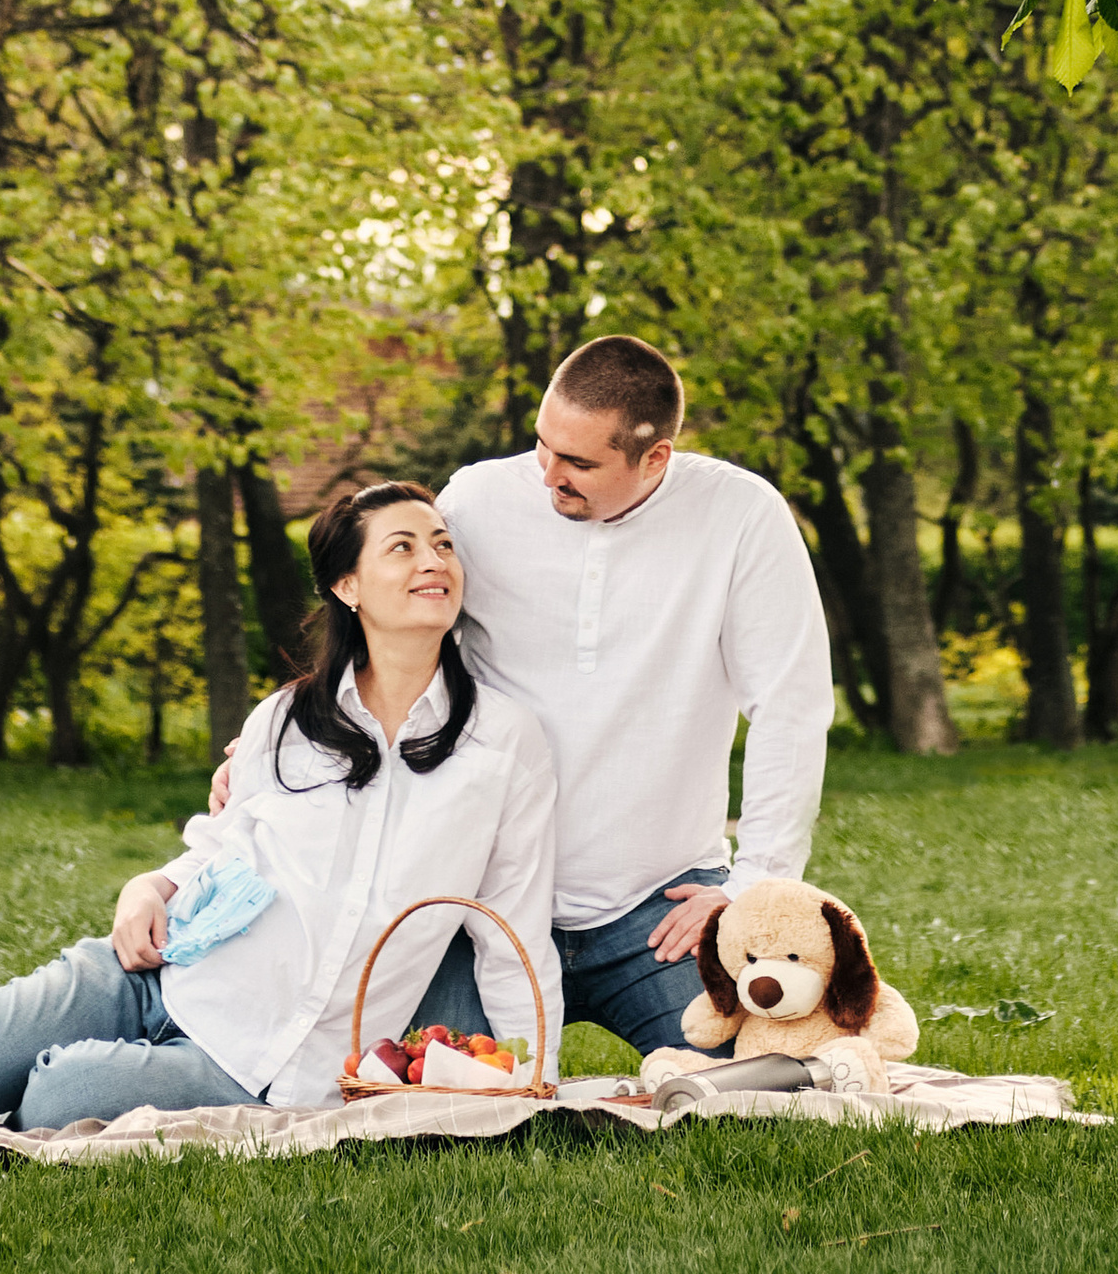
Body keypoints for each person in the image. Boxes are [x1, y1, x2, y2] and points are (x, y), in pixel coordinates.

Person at [0, 481, 558, 1131]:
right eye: (403, 547)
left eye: (443, 545)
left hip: (259, 1062)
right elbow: (225, 845)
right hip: (159, 969)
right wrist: (153, 885)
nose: (434, 561)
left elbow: (513, 932)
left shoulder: (505, 744)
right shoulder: (286, 720)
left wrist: (536, 1081)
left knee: (63, 1095)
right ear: (346, 586)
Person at [212, 337, 833, 1060]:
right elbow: (395, 623)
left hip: (658, 910)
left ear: (654, 458)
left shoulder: (742, 517)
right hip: (478, 902)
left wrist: (754, 884)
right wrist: (290, 734)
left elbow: (790, 706)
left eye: (578, 464)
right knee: (409, 1094)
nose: (548, 475)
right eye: (543, 446)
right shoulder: (477, 500)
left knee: (774, 1083)